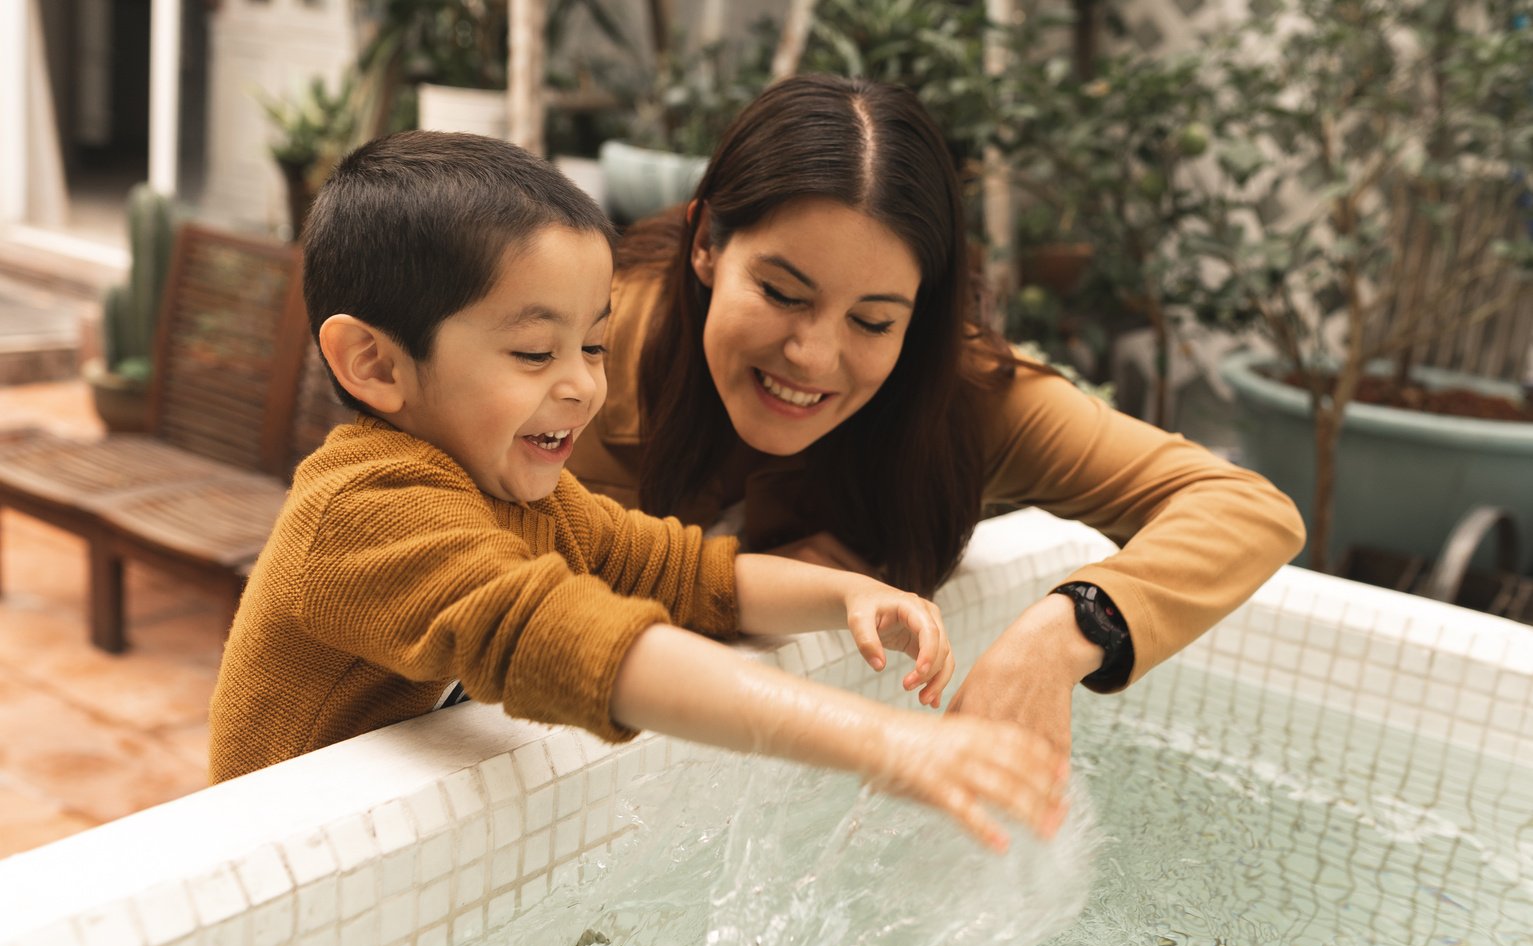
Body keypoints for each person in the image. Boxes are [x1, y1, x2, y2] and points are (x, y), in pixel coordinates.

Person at [207, 130, 1067, 852]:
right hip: (272, 879)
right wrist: (882, 739)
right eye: (536, 353)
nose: (583, 385)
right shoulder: (362, 514)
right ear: (377, 363)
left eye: (595, 345)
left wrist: (848, 592)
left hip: (384, 856)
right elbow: (572, 640)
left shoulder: (528, 499)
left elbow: (687, 575)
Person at [566, 75, 1307, 757]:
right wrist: (760, 584)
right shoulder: (568, 363)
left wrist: (1060, 636)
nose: (814, 356)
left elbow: (1243, 508)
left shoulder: (958, 396)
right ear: (704, 245)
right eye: (784, 293)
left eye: (874, 321)